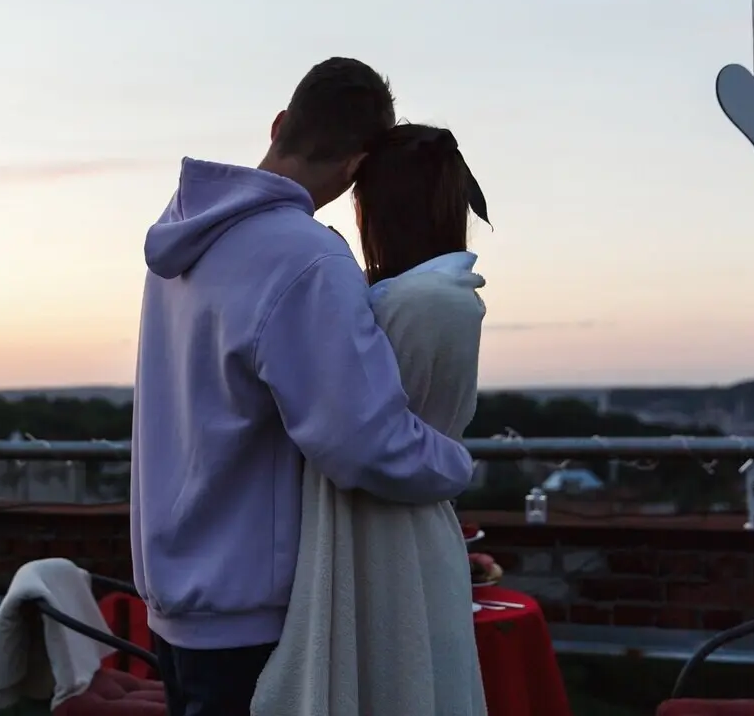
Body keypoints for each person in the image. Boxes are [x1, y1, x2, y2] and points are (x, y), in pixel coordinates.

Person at [130, 58, 477, 716]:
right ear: (357, 170)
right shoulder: (306, 258)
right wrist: (457, 463)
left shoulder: (183, 241)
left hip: (174, 603)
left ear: (281, 122)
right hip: (251, 621)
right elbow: (362, 440)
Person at [252, 122, 491, 716]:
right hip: (410, 516)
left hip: (375, 527)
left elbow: (354, 424)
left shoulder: (408, 304)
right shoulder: (439, 295)